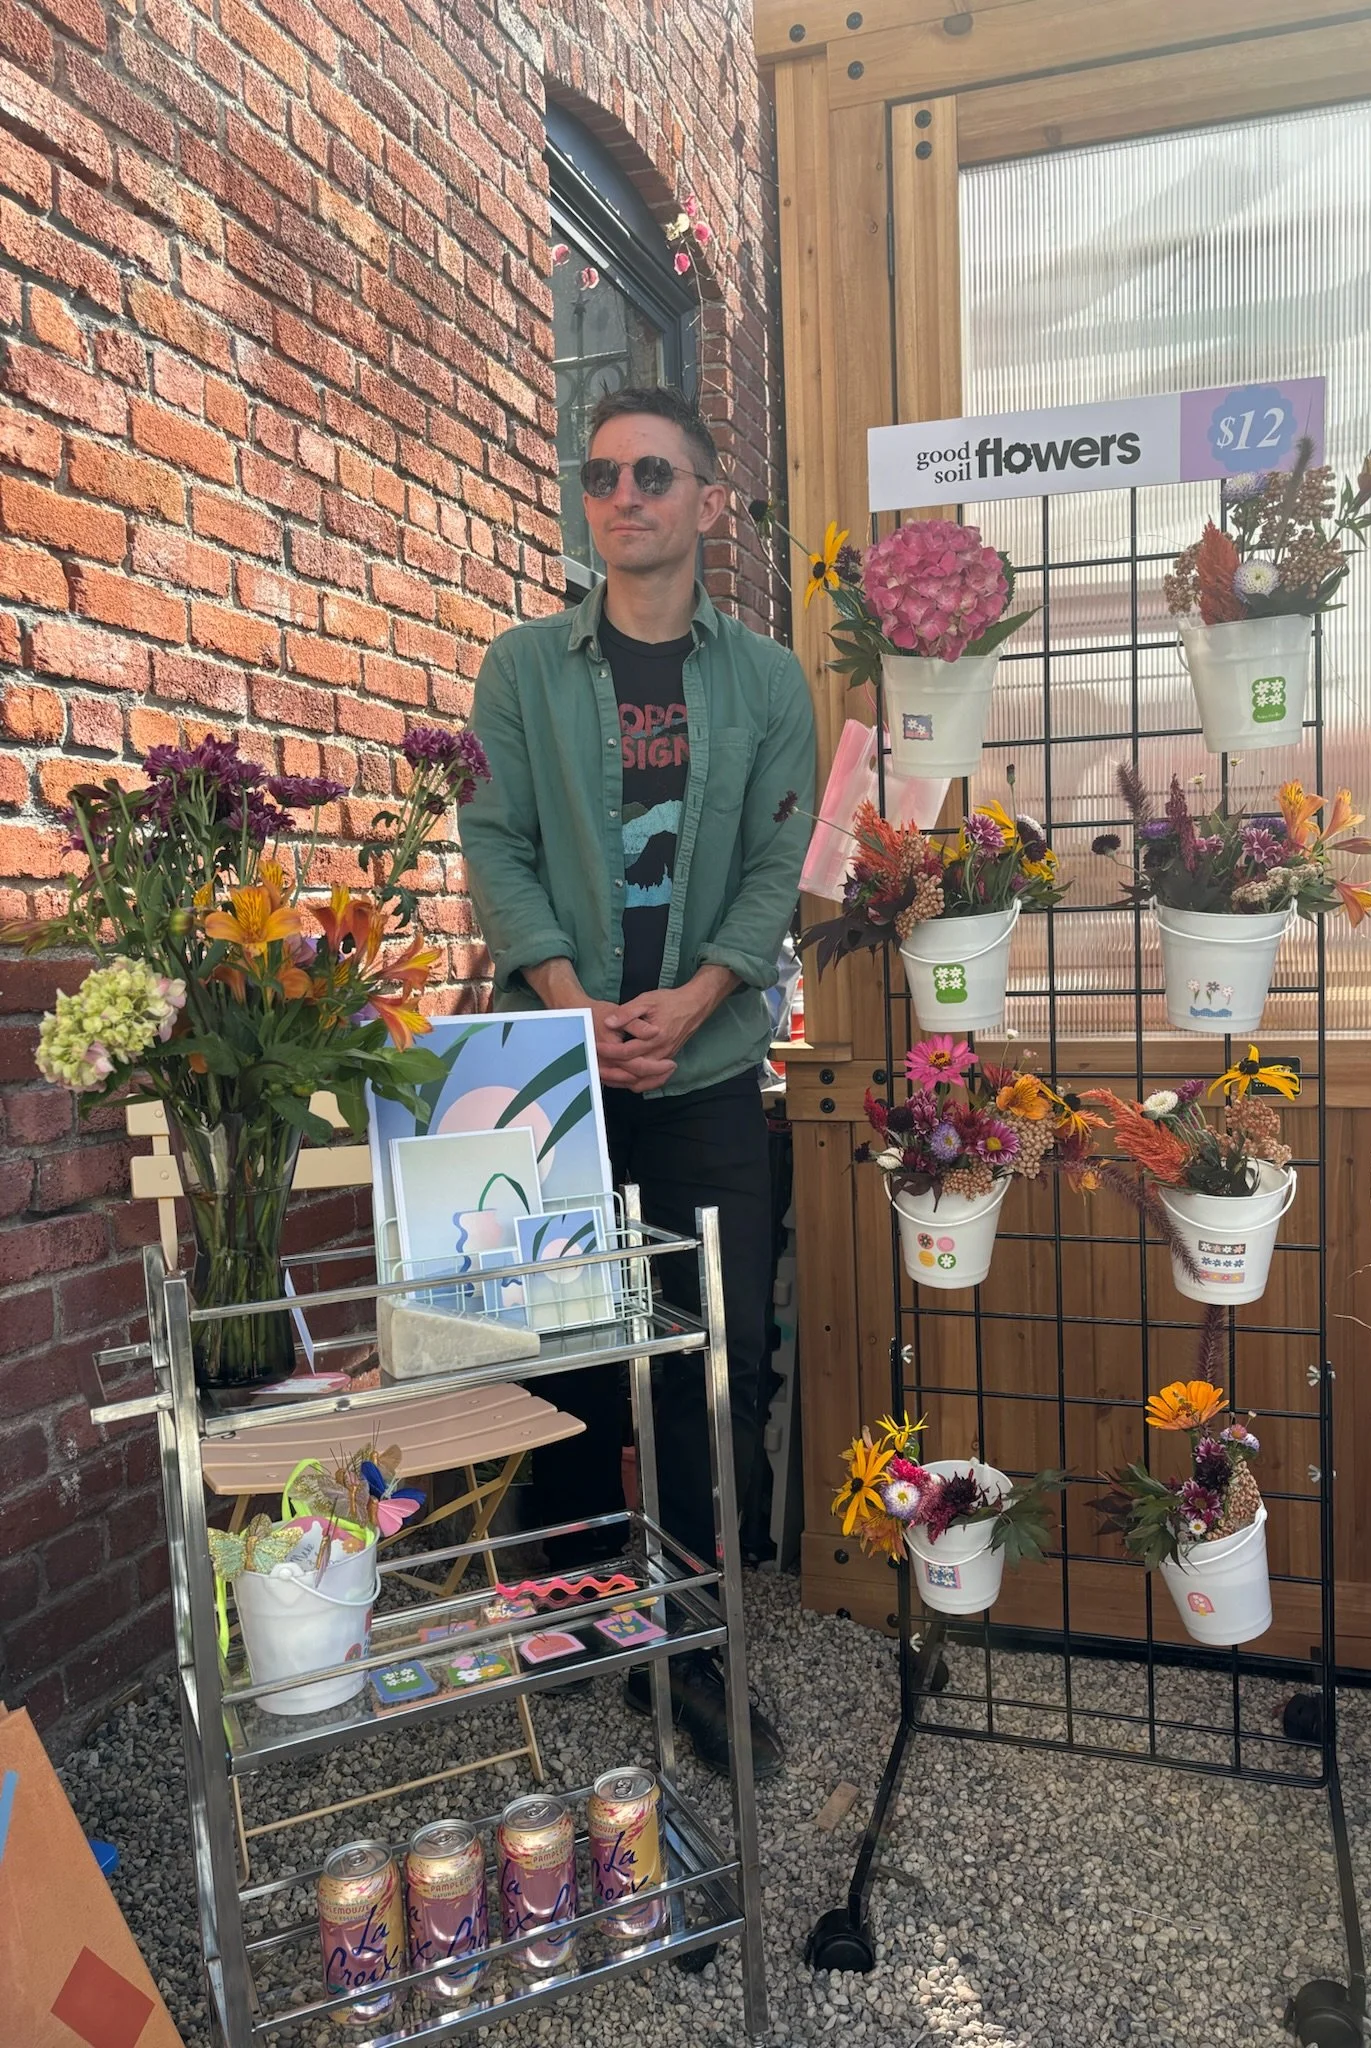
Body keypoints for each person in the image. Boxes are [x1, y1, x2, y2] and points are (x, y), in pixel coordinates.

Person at [460, 386, 815, 1778]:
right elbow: (497, 841)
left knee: (710, 1364)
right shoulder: (523, 670)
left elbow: (781, 866)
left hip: (710, 1070)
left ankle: (698, 1644)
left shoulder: (767, 681)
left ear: (708, 501)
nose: (624, 496)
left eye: (654, 473)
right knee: (559, 1357)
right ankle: (575, 1621)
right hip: (558, 1072)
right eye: (600, 474)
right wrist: (573, 1004)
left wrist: (699, 996)